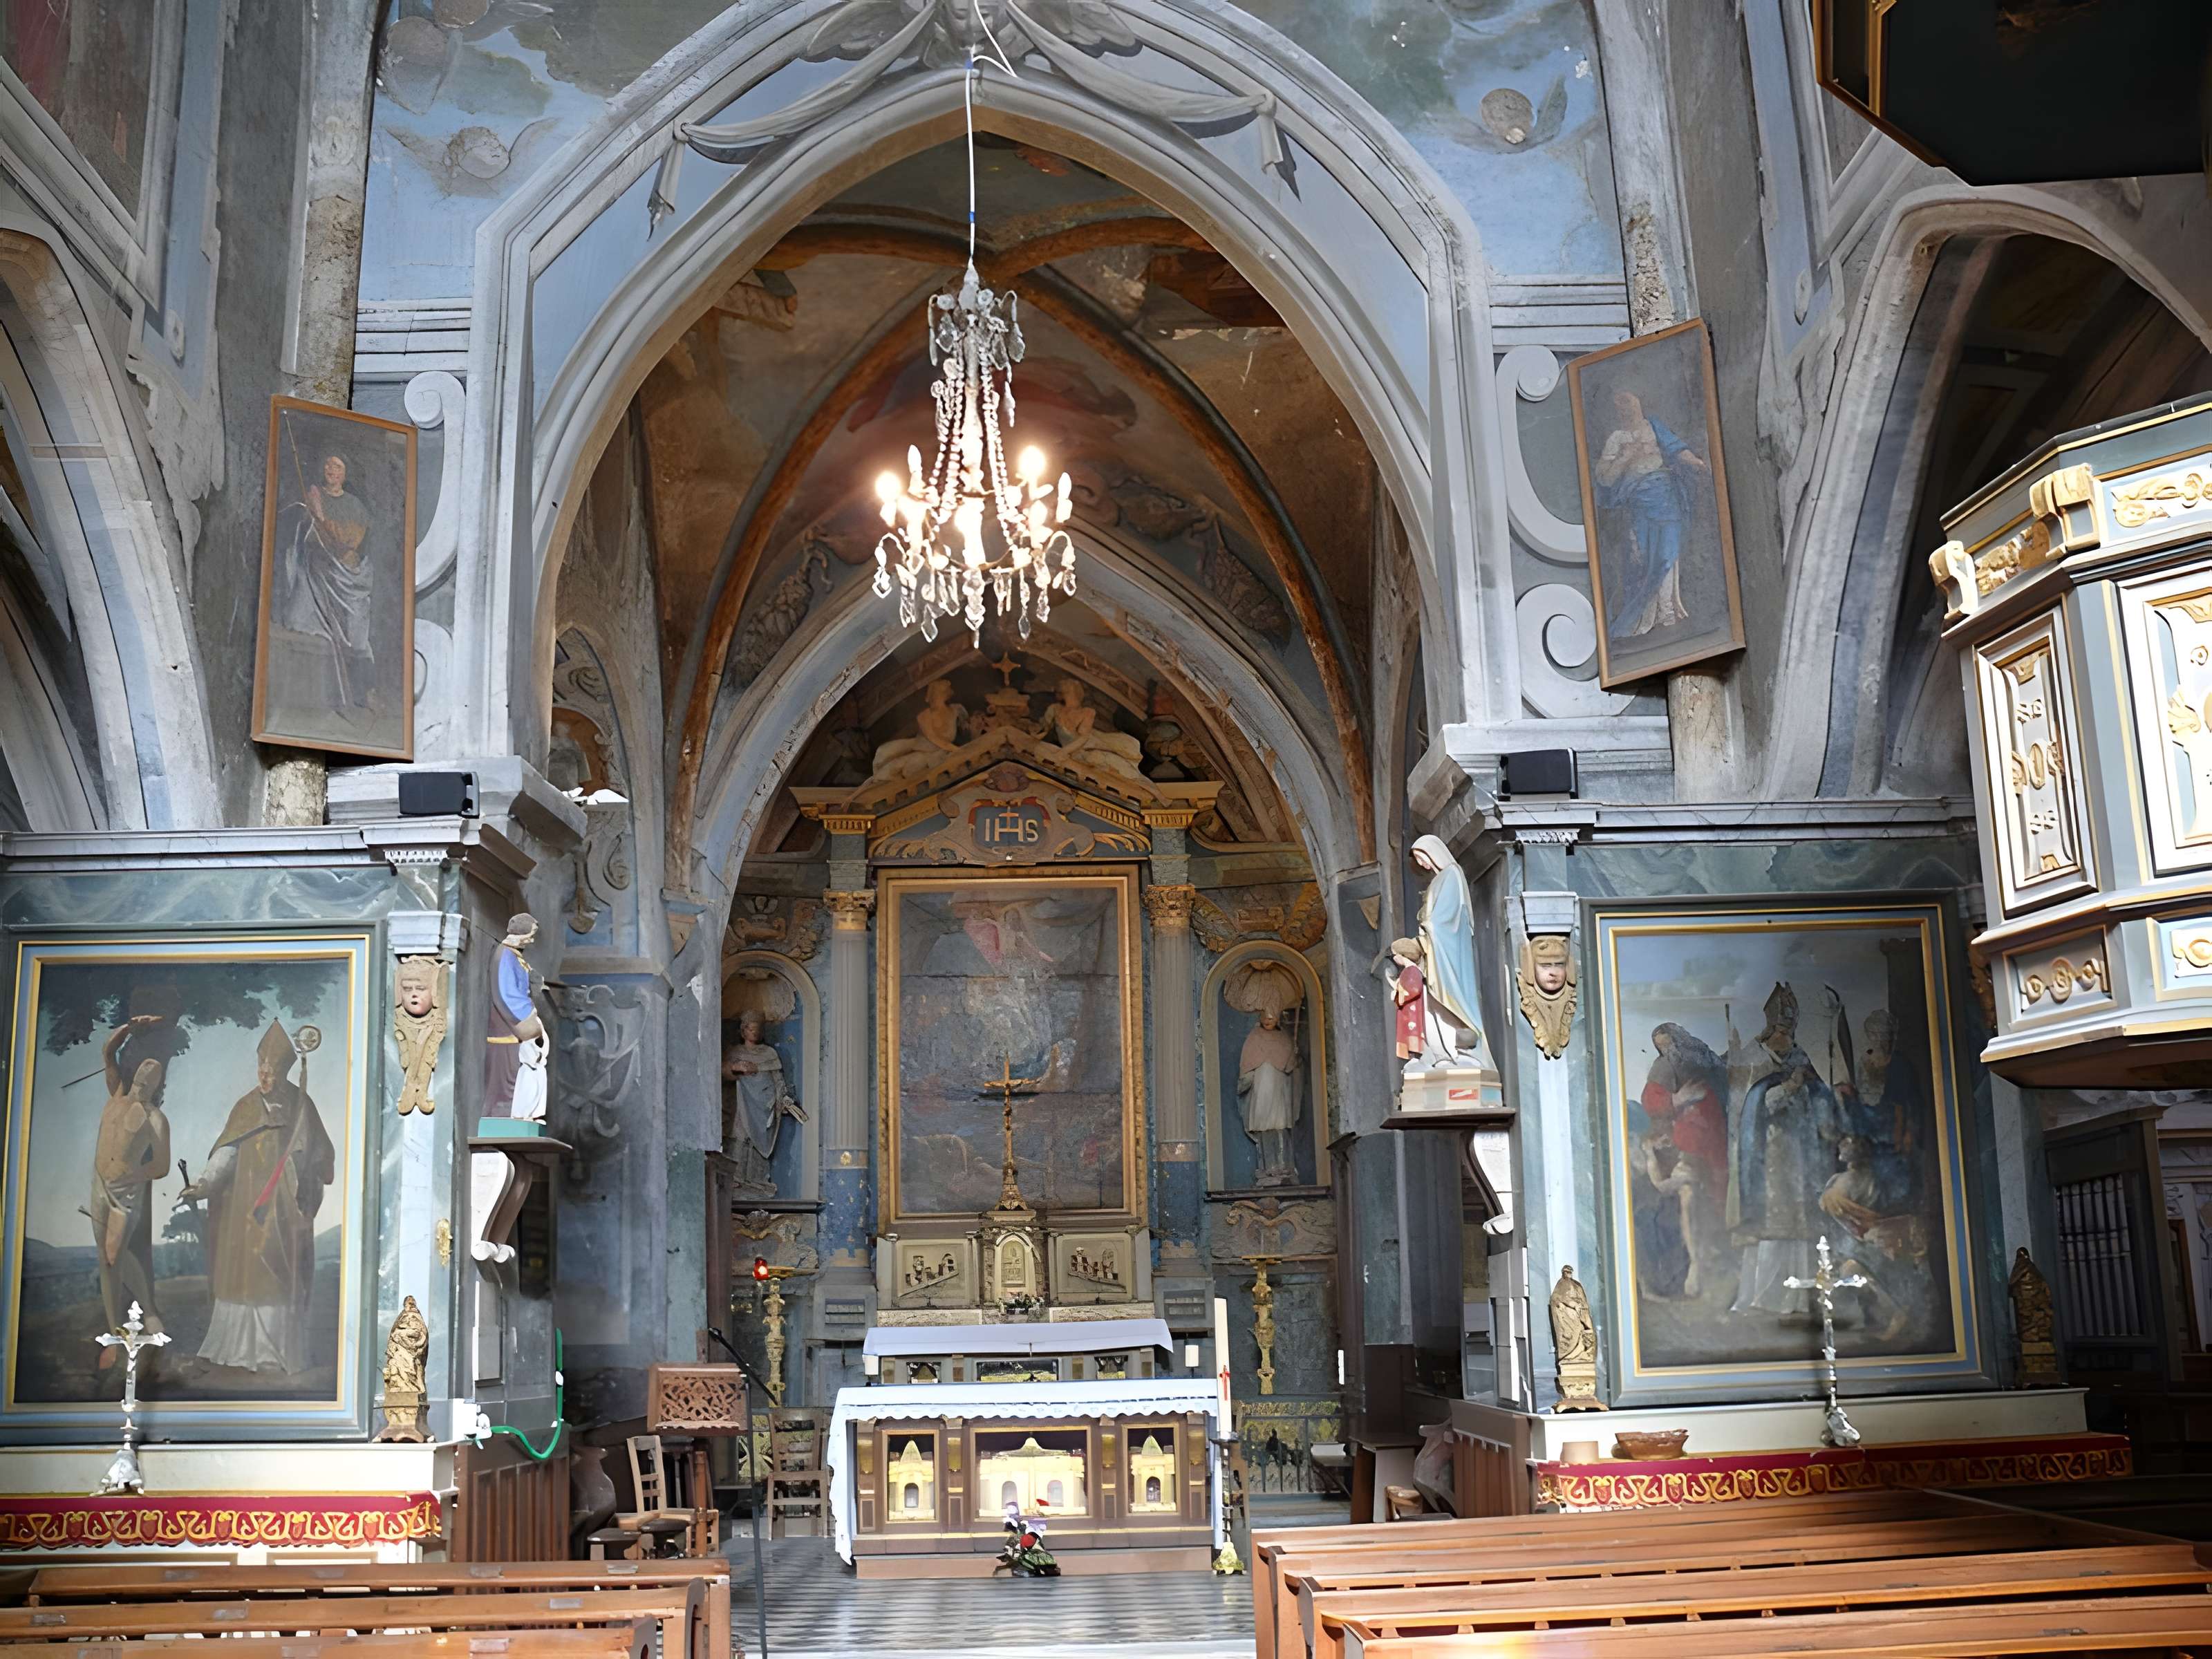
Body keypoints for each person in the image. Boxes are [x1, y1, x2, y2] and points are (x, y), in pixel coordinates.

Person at [178, 1021, 337, 1374]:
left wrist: (307, 1160)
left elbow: (322, 1155)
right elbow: (227, 1153)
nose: (265, 1075)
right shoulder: (246, 1107)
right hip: (245, 1210)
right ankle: (235, 1351)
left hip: (285, 1210)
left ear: (284, 1071)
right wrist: (203, 1185)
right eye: (261, 1068)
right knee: (242, 1273)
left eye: (272, 1069)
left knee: (279, 1274)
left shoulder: (301, 1104)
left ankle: (273, 1354)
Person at [1727, 1047, 1841, 1319]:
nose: (1805, 1075)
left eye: (1806, 1070)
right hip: (1775, 1167)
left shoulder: (1810, 1094)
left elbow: (1824, 1128)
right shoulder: (1771, 1092)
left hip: (1801, 1166)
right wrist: (1790, 1091)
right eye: (1801, 1070)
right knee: (1774, 1232)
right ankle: (1764, 1297)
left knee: (1800, 1233)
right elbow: (1765, 1117)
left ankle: (1800, 1300)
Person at [1591, 386, 1709, 639]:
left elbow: (1677, 449)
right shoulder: (1617, 438)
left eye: (1629, 400)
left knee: (1668, 553)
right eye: (1620, 403)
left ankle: (1668, 612)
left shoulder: (1653, 427)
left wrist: (1698, 463)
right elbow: (1605, 479)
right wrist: (1625, 457)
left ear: (1639, 401)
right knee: (1645, 559)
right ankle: (1650, 617)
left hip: (1666, 496)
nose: (1626, 407)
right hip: (1640, 503)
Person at [88, 1013, 172, 1359]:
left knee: (113, 1254)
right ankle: (121, 1326)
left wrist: (133, 1176)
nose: (147, 1071)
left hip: (125, 1191)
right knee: (108, 1257)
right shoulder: (116, 1095)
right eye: (144, 1066)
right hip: (97, 1184)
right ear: (135, 1070)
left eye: (154, 1070)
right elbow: (108, 1054)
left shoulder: (155, 1118)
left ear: (157, 1082)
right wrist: (130, 1027)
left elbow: (163, 1166)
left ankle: (137, 1318)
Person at [274, 450, 380, 715]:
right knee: (305, 624)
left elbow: (349, 541)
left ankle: (364, 693)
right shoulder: (311, 496)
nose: (332, 470)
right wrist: (310, 516)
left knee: (357, 637)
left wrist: (322, 517)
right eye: (328, 465)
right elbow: (303, 535)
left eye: (338, 466)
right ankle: (325, 698)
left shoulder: (354, 505)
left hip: (348, 578)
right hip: (317, 573)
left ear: (346, 474)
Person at [1409, 835, 1495, 1069]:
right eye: (1419, 861)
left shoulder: (1451, 875)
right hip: (1435, 950)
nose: (1423, 864)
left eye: (1423, 858)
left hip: (1447, 951)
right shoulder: (1439, 879)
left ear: (1433, 852)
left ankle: (1460, 1051)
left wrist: (1428, 930)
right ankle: (1441, 1053)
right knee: (1432, 1004)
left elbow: (1446, 919)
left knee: (1449, 998)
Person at [722, 1010, 805, 1194]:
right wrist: (736, 1067)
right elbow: (722, 1072)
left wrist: (782, 1097)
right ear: (743, 1031)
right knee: (739, 1138)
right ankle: (735, 1178)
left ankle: (757, 1180)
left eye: (758, 1029)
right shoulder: (735, 1052)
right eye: (751, 1029)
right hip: (741, 1102)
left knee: (759, 1141)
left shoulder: (769, 1053)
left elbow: (777, 1078)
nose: (755, 1033)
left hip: (764, 1105)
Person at [485, 914, 545, 1118]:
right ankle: (503, 1116)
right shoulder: (505, 956)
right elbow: (508, 993)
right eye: (530, 935)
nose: (532, 940)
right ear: (521, 934)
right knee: (507, 1075)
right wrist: (530, 1017)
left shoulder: (514, 955)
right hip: (508, 1028)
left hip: (515, 1029)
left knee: (522, 1071)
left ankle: (517, 1114)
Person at [1237, 1008, 1300, 1187]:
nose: (1268, 1019)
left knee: (1281, 1126)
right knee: (1265, 1127)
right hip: (1262, 1089)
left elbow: (1292, 1068)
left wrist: (1294, 1056)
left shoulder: (1284, 1039)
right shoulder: (1254, 1038)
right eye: (1265, 1015)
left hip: (1280, 1089)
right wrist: (1244, 1081)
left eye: (1272, 1015)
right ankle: (1268, 1167)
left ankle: (1284, 1165)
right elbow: (1247, 1068)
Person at [1041, 678, 1146, 780]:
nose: (1067, 694)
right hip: (1075, 752)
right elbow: (1044, 730)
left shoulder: (1087, 712)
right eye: (1065, 691)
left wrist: (1063, 752)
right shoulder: (1055, 708)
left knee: (1111, 762)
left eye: (1069, 691)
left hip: (1087, 748)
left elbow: (1084, 738)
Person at [870, 679, 967, 782]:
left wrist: (958, 749)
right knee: (901, 766)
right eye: (935, 693)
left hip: (943, 752)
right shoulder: (924, 715)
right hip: (924, 750)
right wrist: (955, 749)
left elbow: (967, 728)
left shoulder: (956, 709)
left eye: (940, 693)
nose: (937, 697)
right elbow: (933, 737)